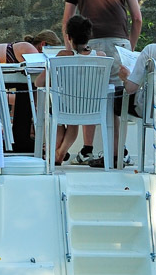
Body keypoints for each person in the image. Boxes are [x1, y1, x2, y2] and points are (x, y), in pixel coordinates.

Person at [62, 0, 142, 163]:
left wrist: (71, 50)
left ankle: (87, 150)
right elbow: (137, 17)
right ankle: (119, 152)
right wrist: (129, 47)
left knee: (90, 93)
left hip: (90, 43)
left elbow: (67, 19)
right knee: (117, 98)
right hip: (119, 42)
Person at [36, 14, 113, 166]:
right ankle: (59, 153)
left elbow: (39, 82)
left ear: (69, 37)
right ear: (88, 36)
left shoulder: (62, 56)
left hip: (65, 107)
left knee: (56, 115)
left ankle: (56, 154)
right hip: (92, 107)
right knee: (71, 120)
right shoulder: (100, 56)